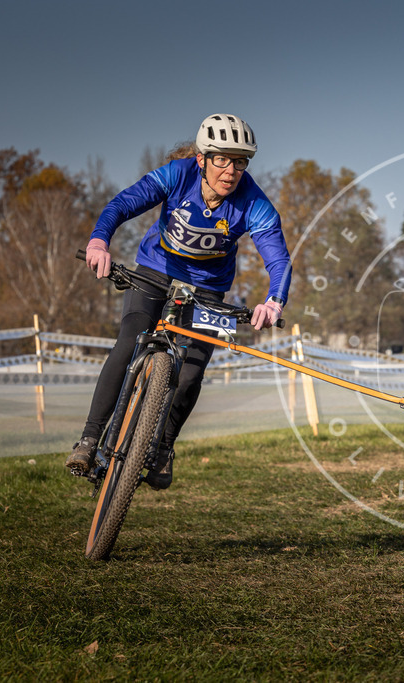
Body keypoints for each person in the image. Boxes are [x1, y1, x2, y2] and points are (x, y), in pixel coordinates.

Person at [66, 113, 292, 490]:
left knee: (190, 374)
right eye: (222, 158)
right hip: (155, 272)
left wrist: (274, 301)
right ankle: (89, 439)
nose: (231, 169)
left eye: (240, 161)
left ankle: (163, 448)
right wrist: (99, 240)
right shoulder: (176, 174)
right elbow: (122, 204)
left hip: (208, 289)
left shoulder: (254, 202)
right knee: (128, 344)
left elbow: (278, 259)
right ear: (202, 159)